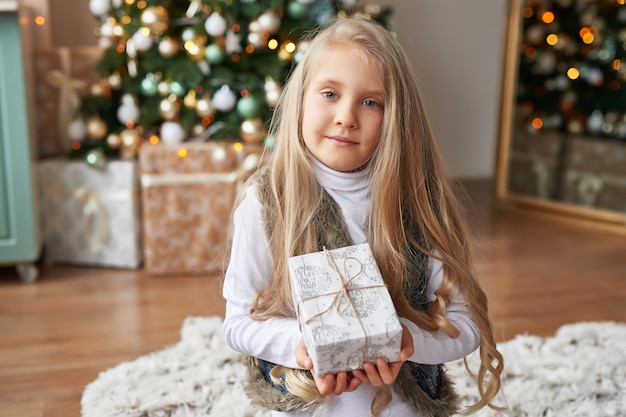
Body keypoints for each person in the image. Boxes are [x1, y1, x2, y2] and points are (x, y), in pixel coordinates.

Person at [222, 16, 503, 417]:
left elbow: (467, 324)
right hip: (308, 400)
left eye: (370, 102)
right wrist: (301, 344)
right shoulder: (267, 202)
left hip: (400, 403)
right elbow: (237, 324)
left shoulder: (419, 201)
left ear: (395, 119)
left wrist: (409, 340)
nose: (346, 117)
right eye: (330, 94)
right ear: (300, 98)